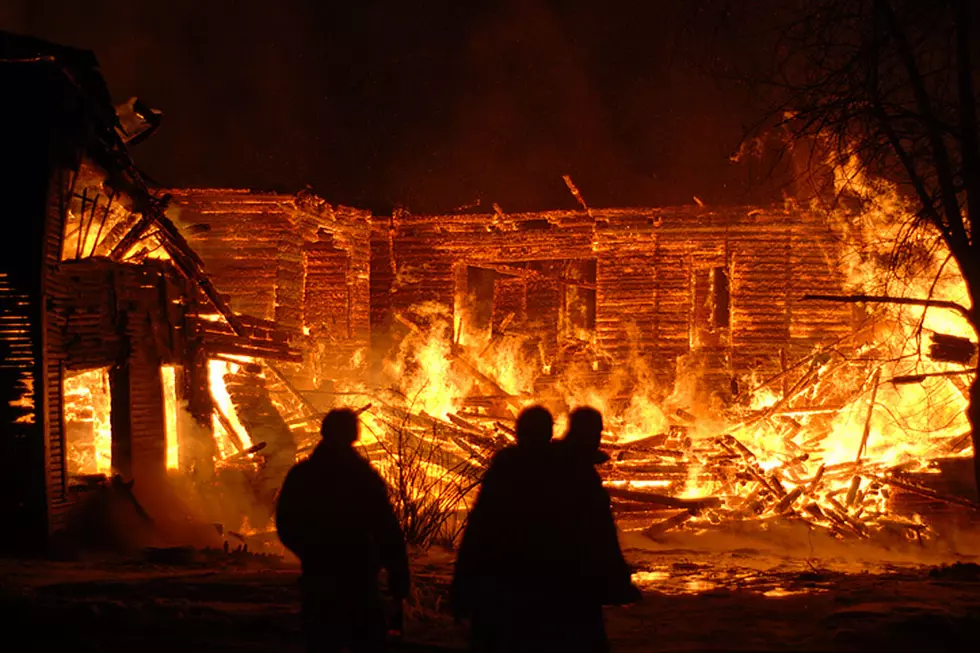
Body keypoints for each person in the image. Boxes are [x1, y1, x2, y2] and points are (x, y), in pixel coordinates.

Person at [276, 408, 409, 653]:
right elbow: (387, 529)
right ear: (354, 435)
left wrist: (310, 553)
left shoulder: (303, 474)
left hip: (320, 579)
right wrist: (398, 577)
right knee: (367, 642)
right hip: (358, 578)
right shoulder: (362, 477)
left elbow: (285, 524)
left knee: (323, 643)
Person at [452, 405, 564, 652]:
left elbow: (477, 531)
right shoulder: (562, 471)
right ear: (549, 434)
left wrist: (462, 588)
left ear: (518, 433)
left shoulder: (504, 470)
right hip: (544, 586)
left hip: (501, 583)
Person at [554, 407, 642, 651]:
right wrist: (618, 578)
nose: (600, 437)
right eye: (597, 432)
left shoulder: (550, 465)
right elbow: (600, 533)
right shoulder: (580, 477)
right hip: (573, 575)